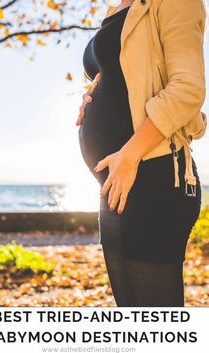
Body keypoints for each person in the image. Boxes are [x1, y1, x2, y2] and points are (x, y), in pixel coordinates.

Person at [76, 0, 207, 306]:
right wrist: (91, 95)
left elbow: (187, 88)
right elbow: (122, 75)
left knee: (157, 326)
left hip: (154, 174)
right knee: (133, 319)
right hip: (115, 183)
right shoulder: (117, 9)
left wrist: (130, 154)